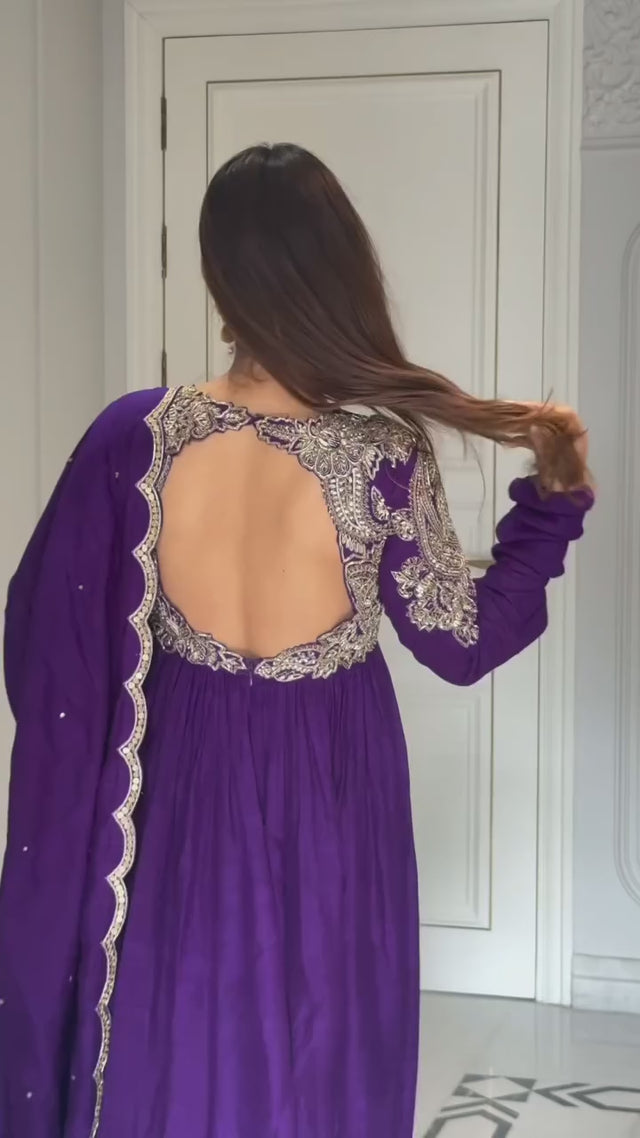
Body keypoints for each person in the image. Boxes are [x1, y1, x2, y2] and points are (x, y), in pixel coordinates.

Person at [0, 143, 592, 1138]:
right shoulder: (382, 455)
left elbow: (42, 635)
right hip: (331, 780)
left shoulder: (134, 438)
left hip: (180, 771)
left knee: (182, 1017)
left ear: (217, 277)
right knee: (325, 1031)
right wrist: (551, 509)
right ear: (338, 271)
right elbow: (462, 640)